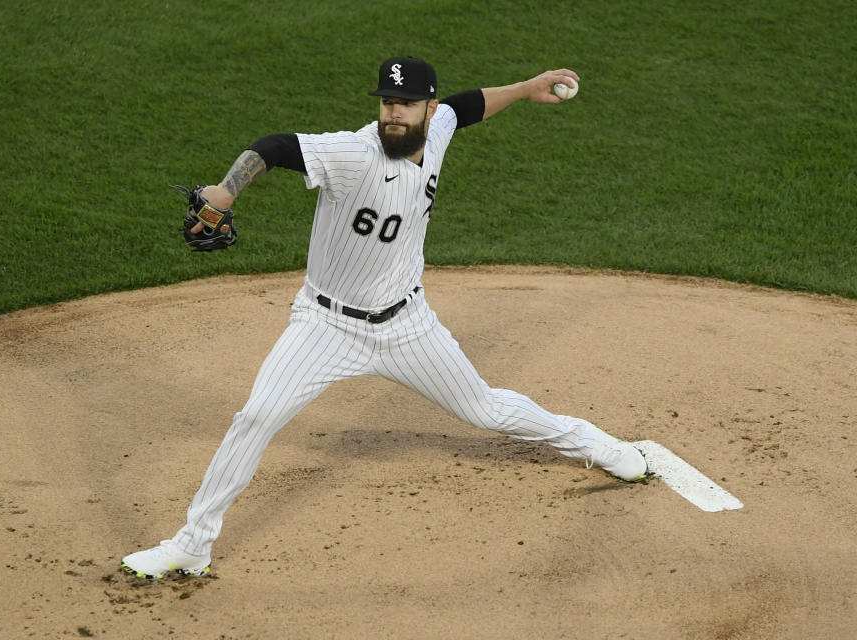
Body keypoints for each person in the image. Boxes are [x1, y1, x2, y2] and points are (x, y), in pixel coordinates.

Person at [121, 57, 647, 579]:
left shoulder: (437, 129)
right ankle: (193, 545)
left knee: (485, 408)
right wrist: (225, 190)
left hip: (407, 325)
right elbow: (278, 146)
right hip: (325, 327)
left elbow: (466, 108)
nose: (394, 114)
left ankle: (597, 445)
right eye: (388, 102)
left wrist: (528, 86)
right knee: (256, 418)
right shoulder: (353, 152)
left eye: (406, 104)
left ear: (427, 108)